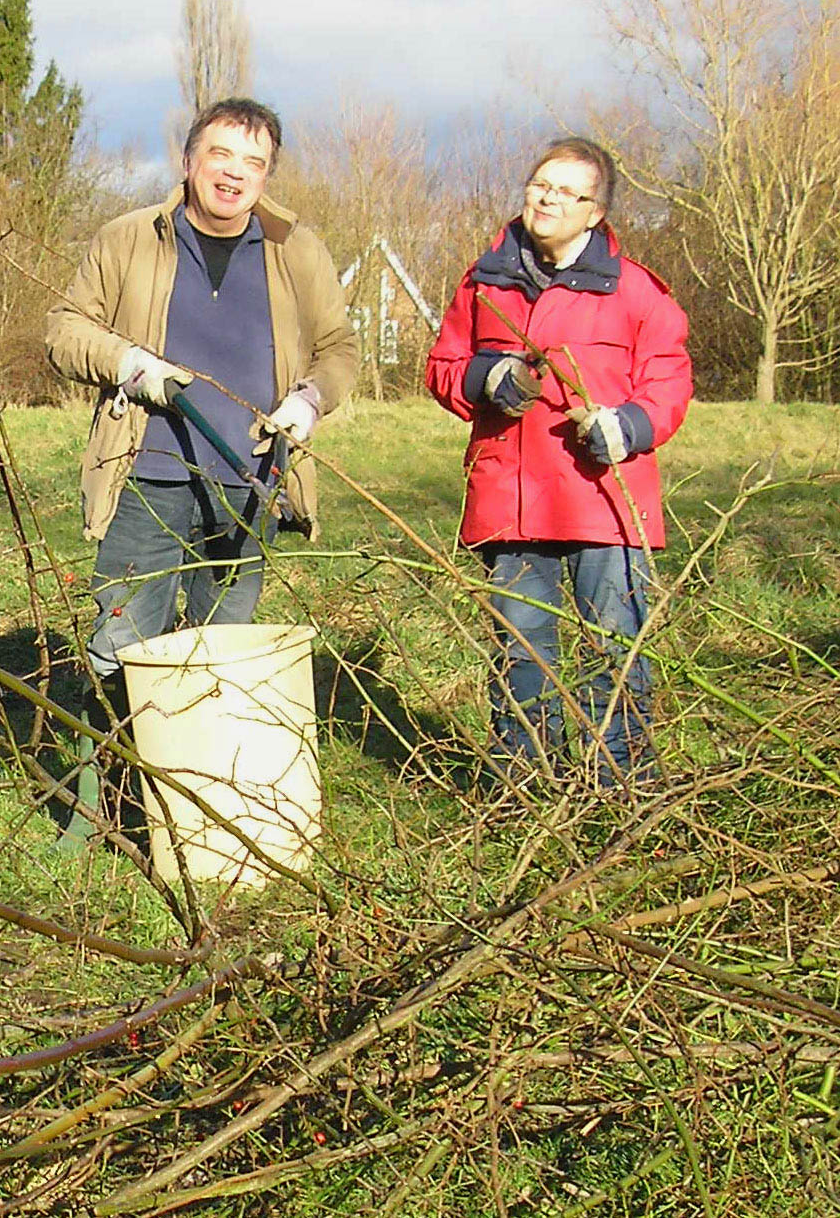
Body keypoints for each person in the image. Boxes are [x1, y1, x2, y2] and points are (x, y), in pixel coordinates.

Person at [46, 97, 358, 774]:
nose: (234, 172)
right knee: (122, 647)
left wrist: (308, 402)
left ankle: (201, 798)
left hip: (250, 485)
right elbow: (65, 331)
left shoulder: (296, 249)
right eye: (221, 154)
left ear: (267, 175)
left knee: (223, 656)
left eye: (253, 161)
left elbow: (338, 348)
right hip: (144, 479)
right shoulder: (129, 238)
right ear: (188, 161)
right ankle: (110, 797)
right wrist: (129, 365)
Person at [426, 136, 691, 788]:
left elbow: (669, 381)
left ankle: (622, 782)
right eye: (541, 185)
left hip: (605, 504)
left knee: (614, 652)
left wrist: (626, 426)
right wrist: (485, 378)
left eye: (567, 192)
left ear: (595, 213)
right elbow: (442, 365)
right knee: (520, 655)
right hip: (511, 503)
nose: (548, 199)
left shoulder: (635, 291)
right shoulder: (483, 280)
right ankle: (522, 784)